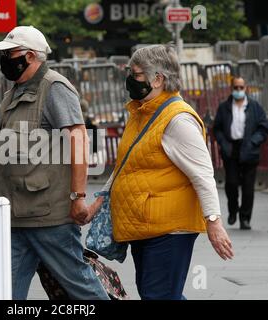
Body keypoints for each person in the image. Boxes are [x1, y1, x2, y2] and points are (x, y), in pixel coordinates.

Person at [86, 45, 234, 300]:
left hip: (169, 228)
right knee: (157, 294)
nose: (131, 79)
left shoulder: (178, 119)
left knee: (158, 295)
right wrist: (101, 198)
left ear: (158, 79)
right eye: (130, 72)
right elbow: (126, 162)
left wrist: (214, 222)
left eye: (137, 74)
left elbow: (202, 174)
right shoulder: (141, 111)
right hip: (145, 224)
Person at [0, 26, 109, 300]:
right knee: (4, 292)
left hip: (49, 218)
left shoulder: (54, 87)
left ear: (30, 56)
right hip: (16, 216)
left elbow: (78, 138)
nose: (5, 59)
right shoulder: (13, 93)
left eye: (10, 53)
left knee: (82, 288)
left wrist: (78, 196)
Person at [213, 77, 268, 230]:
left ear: (246, 88)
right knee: (231, 183)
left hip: (249, 150)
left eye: (241, 87)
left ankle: (245, 218)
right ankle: (232, 211)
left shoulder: (255, 107)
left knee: (248, 187)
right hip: (231, 150)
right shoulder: (224, 107)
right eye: (236, 87)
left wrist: (253, 142)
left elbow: (263, 128)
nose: (238, 90)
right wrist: (224, 144)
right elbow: (216, 128)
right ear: (232, 88)